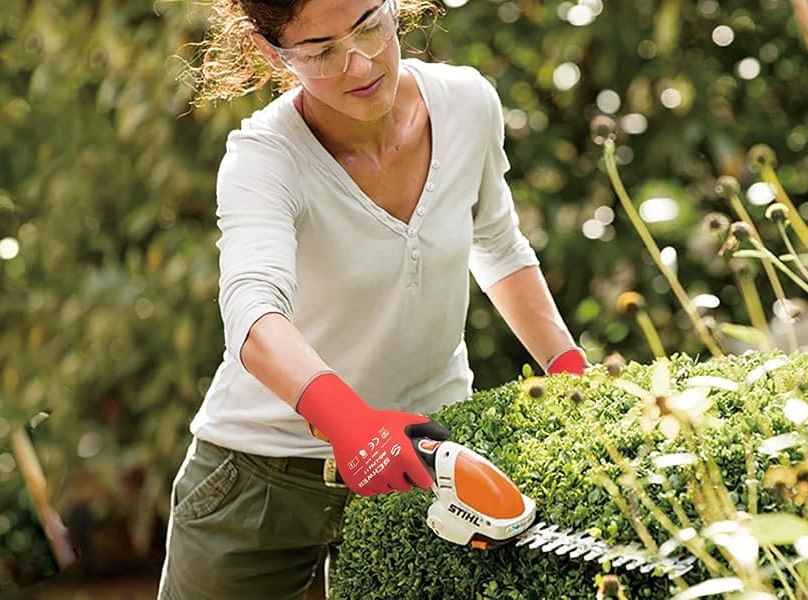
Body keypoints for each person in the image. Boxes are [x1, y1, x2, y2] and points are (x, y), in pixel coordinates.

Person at [158, 0, 588, 597]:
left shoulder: (467, 104)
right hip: (260, 477)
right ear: (271, 53)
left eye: (369, 27)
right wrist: (347, 420)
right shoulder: (264, 158)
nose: (359, 64)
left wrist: (571, 371)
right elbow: (254, 314)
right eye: (322, 51)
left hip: (424, 462)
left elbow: (498, 247)